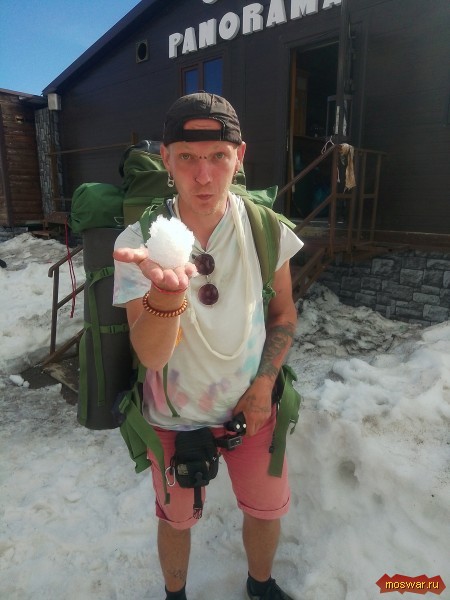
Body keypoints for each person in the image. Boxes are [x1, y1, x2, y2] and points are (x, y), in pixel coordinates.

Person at [113, 92, 303, 600]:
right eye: (188, 158)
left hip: (252, 408)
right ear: (165, 159)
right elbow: (152, 356)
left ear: (239, 157)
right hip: (171, 418)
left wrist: (264, 386)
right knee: (176, 519)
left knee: (266, 509)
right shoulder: (140, 243)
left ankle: (260, 587)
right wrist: (165, 296)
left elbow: (283, 314)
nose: (204, 176)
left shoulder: (266, 230)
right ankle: (175, 595)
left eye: (218, 156)